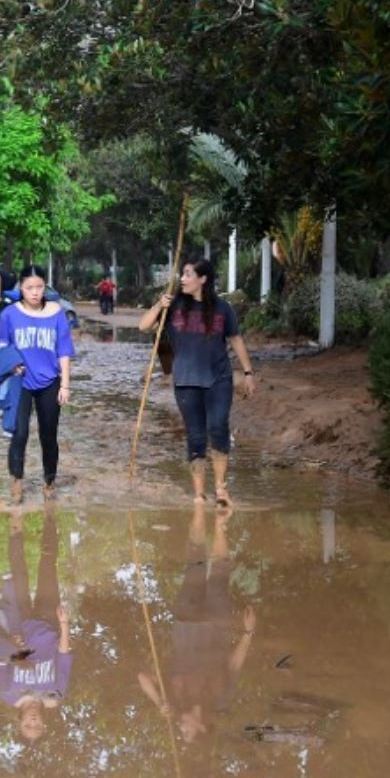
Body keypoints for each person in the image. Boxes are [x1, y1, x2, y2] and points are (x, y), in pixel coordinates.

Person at [139, 257, 255, 506]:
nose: (182, 278)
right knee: (196, 437)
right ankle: (199, 495)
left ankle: (221, 489)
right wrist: (159, 306)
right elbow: (144, 326)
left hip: (219, 379)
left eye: (188, 274)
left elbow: (235, 340)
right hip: (186, 382)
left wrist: (248, 373)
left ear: (203, 279)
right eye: (182, 274)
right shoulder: (173, 305)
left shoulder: (223, 309)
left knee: (218, 428)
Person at [138, 501, 254, 743]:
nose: (181, 727)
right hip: (217, 624)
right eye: (186, 731)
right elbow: (233, 666)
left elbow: (142, 677)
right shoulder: (221, 699)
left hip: (186, 623)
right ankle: (220, 524)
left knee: (194, 566)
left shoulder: (174, 701)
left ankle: (200, 510)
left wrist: (160, 702)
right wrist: (248, 634)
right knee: (220, 574)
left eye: (180, 732)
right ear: (201, 727)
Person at [0, 505, 72, 743]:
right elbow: (64, 655)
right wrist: (64, 624)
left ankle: (16, 517)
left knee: (19, 570)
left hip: (19, 620)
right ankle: (49, 515)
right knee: (48, 565)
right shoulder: (56, 694)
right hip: (49, 622)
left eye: (28, 725)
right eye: (37, 726)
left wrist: (11, 646)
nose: (33, 721)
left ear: (20, 721)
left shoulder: (6, 693)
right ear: (44, 724)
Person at [0, 265, 74, 503]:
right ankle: (17, 484)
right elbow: (2, 348)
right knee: (19, 434)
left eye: (40, 287)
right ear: (21, 287)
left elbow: (64, 351)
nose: (35, 292)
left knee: (48, 437)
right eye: (30, 287)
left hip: (50, 382)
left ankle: (49, 483)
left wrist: (65, 385)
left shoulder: (57, 313)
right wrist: (11, 365)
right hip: (20, 382)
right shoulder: (9, 315)